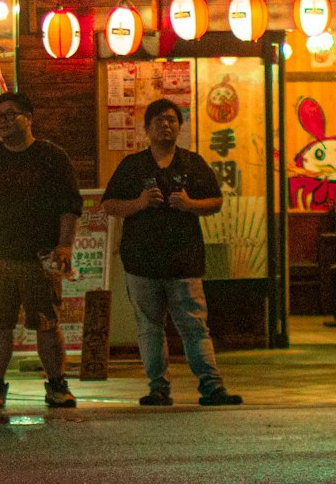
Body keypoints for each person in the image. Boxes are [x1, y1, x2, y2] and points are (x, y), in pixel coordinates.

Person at [101, 97, 242, 407]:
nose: (165, 125)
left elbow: (216, 201)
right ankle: (158, 388)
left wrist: (191, 205)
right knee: (149, 327)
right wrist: (138, 203)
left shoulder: (193, 164)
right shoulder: (133, 165)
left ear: (179, 126)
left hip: (185, 260)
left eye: (171, 120)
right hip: (141, 261)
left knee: (193, 325)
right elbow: (108, 204)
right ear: (146, 129)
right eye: (158, 121)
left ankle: (212, 386)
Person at [0, 92, 83, 411]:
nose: (4, 120)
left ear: (29, 117)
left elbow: (69, 206)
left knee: (46, 322)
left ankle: (57, 385)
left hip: (41, 257)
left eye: (12, 114)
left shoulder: (52, 157)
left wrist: (64, 245)